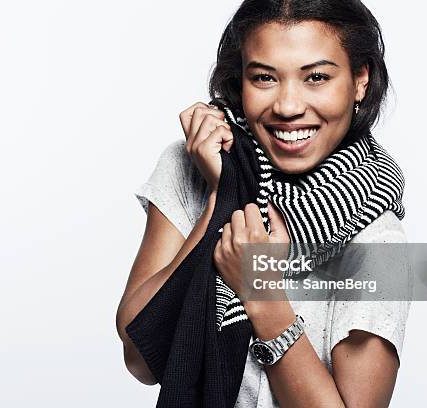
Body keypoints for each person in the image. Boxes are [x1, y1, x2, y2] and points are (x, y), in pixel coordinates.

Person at [116, 0, 411, 406]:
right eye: (265, 78)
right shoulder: (191, 166)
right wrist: (223, 199)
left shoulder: (378, 241)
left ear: (360, 79)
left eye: (317, 77)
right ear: (241, 82)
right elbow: (139, 358)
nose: (288, 106)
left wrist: (261, 290)